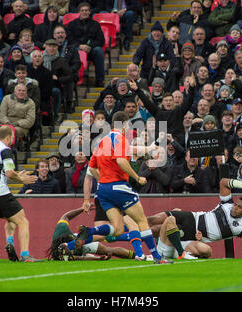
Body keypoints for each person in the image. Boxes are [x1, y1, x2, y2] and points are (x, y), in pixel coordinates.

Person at [73, 111, 172, 264]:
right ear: (126, 124)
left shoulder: (102, 141)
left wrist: (149, 148)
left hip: (103, 190)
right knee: (141, 221)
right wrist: (137, 177)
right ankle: (157, 257)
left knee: (118, 229)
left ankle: (89, 232)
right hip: (118, 187)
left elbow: (92, 168)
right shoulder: (121, 138)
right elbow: (121, 161)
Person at [147, 178, 242, 259]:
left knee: (157, 229)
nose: (235, 208)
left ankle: (160, 247)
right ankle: (130, 227)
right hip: (192, 217)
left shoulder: (241, 228)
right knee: (152, 220)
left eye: (239, 207)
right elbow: (223, 182)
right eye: (236, 205)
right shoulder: (227, 204)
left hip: (194, 234)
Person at [0, 125, 40, 262]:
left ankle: (10, 244)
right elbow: (9, 173)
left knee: (11, 219)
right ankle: (25, 255)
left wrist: (17, 175)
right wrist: (21, 178)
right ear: (8, 137)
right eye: (12, 137)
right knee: (23, 221)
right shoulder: (5, 150)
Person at [47, 206, 137, 261]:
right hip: (80, 251)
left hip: (81, 240)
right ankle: (137, 253)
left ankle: (135, 255)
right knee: (106, 243)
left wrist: (82, 209)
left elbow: (66, 216)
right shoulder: (60, 254)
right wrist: (96, 258)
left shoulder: (62, 229)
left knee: (108, 250)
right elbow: (80, 258)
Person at [66, 2, 105, 88]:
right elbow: (68, 40)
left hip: (90, 50)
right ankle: (73, 81)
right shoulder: (71, 24)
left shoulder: (95, 24)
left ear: (90, 12)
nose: (84, 12)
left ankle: (100, 80)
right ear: (78, 12)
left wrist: (90, 46)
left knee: (98, 51)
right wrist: (79, 46)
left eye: (86, 10)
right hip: (76, 51)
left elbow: (101, 41)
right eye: (82, 10)